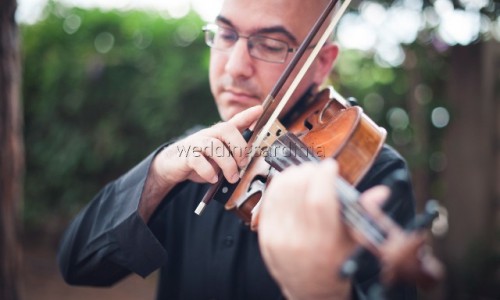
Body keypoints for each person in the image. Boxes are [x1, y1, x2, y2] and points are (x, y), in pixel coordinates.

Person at [57, 0, 417, 299]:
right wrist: (159, 172)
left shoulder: (374, 171)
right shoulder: (189, 160)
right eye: (226, 35)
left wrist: (322, 292)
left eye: (271, 45)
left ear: (321, 63)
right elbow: (79, 264)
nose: (234, 66)